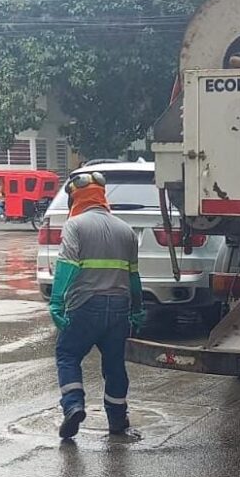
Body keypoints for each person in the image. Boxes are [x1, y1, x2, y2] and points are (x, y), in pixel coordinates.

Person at [49, 171, 145, 439]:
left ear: (75, 198)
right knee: (114, 365)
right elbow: (134, 277)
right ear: (102, 197)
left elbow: (66, 266)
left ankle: (73, 406)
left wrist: (56, 302)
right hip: (119, 308)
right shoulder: (125, 230)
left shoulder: (75, 225)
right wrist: (137, 309)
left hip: (84, 305)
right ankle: (117, 420)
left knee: (68, 355)